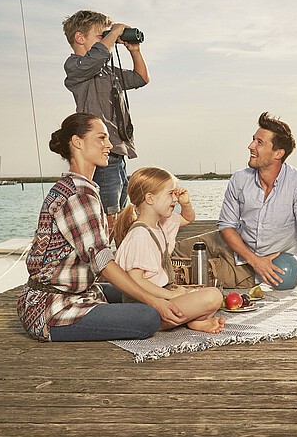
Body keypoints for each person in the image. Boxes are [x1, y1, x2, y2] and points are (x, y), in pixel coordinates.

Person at [17, 113, 188, 343]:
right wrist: (156, 301)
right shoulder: (78, 195)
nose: (109, 145)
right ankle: (184, 313)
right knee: (147, 315)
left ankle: (180, 311)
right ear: (77, 142)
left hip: (80, 292)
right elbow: (103, 262)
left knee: (137, 293)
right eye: (101, 138)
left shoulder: (80, 188)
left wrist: (156, 294)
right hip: (53, 309)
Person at [217, 111, 297, 297]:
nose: (250, 146)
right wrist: (254, 260)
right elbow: (226, 225)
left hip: (277, 265)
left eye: (259, 142)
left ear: (278, 153)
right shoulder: (239, 179)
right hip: (239, 250)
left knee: (205, 274)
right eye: (253, 140)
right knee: (176, 250)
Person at [114, 167, 226, 333]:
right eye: (170, 194)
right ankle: (181, 320)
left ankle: (194, 321)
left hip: (162, 295)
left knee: (206, 292)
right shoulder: (140, 235)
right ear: (150, 199)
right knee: (213, 296)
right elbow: (136, 280)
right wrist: (171, 296)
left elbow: (188, 218)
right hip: (145, 307)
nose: (175, 198)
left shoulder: (161, 225)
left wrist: (185, 203)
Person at [62, 9, 148, 220]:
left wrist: (134, 51)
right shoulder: (74, 67)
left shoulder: (107, 71)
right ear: (80, 38)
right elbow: (94, 59)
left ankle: (114, 248)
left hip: (117, 151)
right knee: (106, 215)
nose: (109, 38)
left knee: (119, 210)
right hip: (98, 154)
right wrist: (114, 33)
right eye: (101, 35)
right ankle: (104, 250)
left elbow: (140, 78)